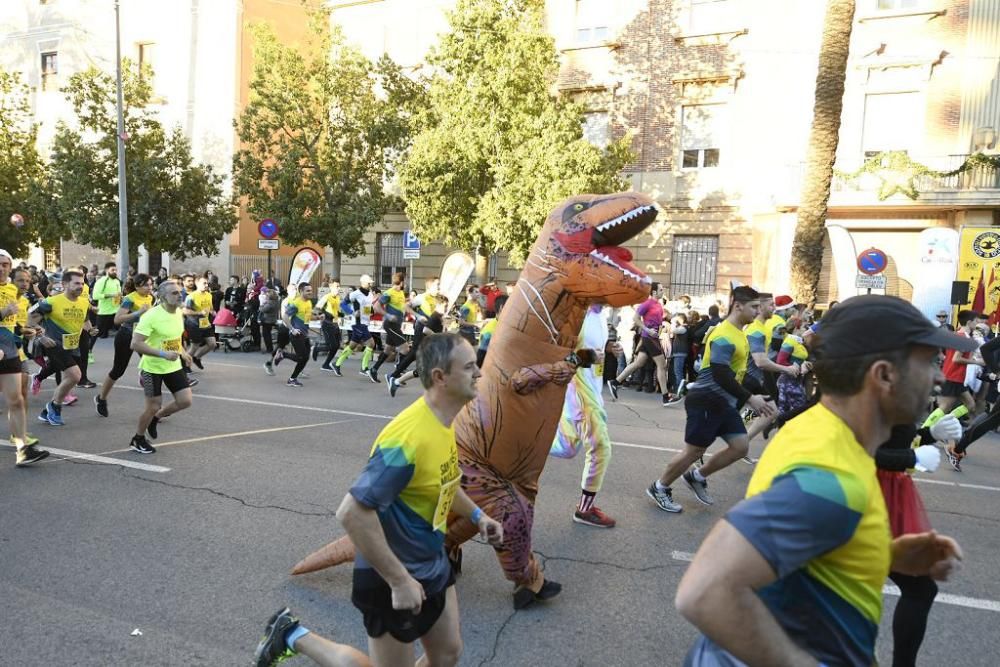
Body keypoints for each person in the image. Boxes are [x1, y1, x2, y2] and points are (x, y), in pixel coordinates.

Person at [675, 295, 968, 667]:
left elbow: (800, 556)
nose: (939, 376)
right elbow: (705, 591)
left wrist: (883, 554)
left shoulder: (823, 435)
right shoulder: (831, 479)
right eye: (928, 362)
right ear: (884, 376)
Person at [253, 334, 504, 667]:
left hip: (431, 563)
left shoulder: (443, 423)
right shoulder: (408, 438)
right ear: (440, 378)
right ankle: (291, 636)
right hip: (391, 575)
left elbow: (441, 482)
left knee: (447, 654)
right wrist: (399, 580)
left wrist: (476, 517)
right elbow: (352, 513)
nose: (479, 374)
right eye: (470, 367)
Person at [645, 286, 776, 513]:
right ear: (738, 306)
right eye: (754, 306)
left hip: (723, 403)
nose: (758, 311)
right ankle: (660, 487)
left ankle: (696, 476)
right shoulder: (724, 334)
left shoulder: (740, 333)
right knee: (694, 451)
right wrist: (750, 399)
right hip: (706, 400)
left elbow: (740, 373)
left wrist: (764, 393)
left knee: (740, 447)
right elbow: (720, 372)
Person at [551, 304, 616, 527]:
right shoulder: (574, 313)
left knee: (567, 447)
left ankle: (522, 444)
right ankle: (584, 510)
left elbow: (593, 346)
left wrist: (607, 349)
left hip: (593, 388)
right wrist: (585, 356)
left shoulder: (600, 314)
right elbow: (556, 352)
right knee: (601, 448)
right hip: (579, 392)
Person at [129, 280, 194, 454]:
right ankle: (138, 438)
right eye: (174, 293)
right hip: (152, 368)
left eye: (180, 292)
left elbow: (174, 339)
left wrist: (183, 352)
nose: (179, 295)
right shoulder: (151, 316)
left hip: (172, 365)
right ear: (162, 297)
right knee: (152, 406)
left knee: (185, 401)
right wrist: (163, 354)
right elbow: (135, 344)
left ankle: (156, 418)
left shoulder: (178, 312)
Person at [30, 271, 99, 427]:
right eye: (76, 283)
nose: (80, 286)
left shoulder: (83, 302)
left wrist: (90, 329)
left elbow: (85, 319)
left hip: (71, 345)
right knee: (75, 375)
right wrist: (41, 337)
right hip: (54, 344)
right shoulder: (50, 302)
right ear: (65, 284)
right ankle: (54, 406)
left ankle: (47, 411)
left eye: (82, 283)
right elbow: (29, 319)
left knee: (64, 372)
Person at [0, 253, 48, 466]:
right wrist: (3, 312)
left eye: (5, 265)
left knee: (16, 400)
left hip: (9, 350)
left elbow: (12, 323)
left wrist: (25, 331)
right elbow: (4, 315)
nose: (1, 268)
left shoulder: (12, 290)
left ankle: (22, 450)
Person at [95, 274, 154, 417]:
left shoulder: (151, 297)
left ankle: (154, 408)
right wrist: (138, 312)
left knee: (153, 368)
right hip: (126, 336)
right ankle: (101, 399)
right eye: (146, 285)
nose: (149, 288)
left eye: (151, 284)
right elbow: (117, 319)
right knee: (118, 370)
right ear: (137, 286)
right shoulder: (129, 299)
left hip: (142, 337)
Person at [608, 286, 671, 406]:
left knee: (638, 363)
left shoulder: (658, 305)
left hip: (652, 338)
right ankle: (666, 396)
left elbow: (659, 322)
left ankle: (615, 382)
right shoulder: (646, 303)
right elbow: (636, 318)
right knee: (662, 365)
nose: (663, 292)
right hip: (650, 338)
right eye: (661, 290)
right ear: (654, 292)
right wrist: (647, 329)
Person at [937, 309, 983, 417]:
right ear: (969, 322)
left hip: (956, 377)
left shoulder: (957, 335)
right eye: (976, 321)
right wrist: (978, 362)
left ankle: (947, 421)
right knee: (944, 408)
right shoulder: (963, 338)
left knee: (970, 404)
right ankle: (925, 429)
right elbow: (956, 359)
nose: (977, 324)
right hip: (952, 377)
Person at [270, 282, 314, 387]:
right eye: (307, 291)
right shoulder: (296, 303)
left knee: (305, 358)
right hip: (297, 335)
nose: (310, 292)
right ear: (301, 291)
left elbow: (306, 318)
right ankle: (283, 355)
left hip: (305, 334)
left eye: (311, 290)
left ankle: (292, 379)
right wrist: (292, 329)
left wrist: (318, 318)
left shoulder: (308, 302)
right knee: (301, 358)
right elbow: (285, 316)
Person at [333, 275, 377, 376]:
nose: (371, 284)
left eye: (371, 283)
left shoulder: (370, 294)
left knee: (352, 345)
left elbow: (367, 308)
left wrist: (371, 311)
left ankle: (337, 364)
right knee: (371, 343)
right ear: (364, 283)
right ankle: (364, 368)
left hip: (365, 323)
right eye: (369, 283)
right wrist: (352, 312)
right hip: (358, 323)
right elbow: (343, 304)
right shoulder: (355, 294)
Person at [368, 273, 408, 383]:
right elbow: (376, 307)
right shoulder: (389, 293)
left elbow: (400, 307)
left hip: (397, 325)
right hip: (390, 325)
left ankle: (374, 369)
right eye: (405, 280)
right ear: (402, 281)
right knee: (405, 349)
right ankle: (397, 374)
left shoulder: (401, 293)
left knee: (388, 349)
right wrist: (388, 315)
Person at [183, 275, 218, 370]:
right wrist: (199, 312)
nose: (206, 285)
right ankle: (185, 366)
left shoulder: (209, 295)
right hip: (193, 324)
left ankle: (196, 358)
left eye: (207, 283)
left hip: (205, 323)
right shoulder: (191, 296)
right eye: (204, 283)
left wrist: (212, 312)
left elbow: (210, 308)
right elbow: (185, 311)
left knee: (212, 344)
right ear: (197, 284)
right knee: (195, 346)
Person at [314, 279, 344, 374]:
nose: (338, 288)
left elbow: (337, 310)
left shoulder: (338, 297)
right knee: (332, 345)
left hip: (335, 324)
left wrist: (341, 315)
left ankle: (326, 364)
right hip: (327, 324)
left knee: (336, 346)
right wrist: (324, 314)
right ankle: (317, 349)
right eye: (336, 286)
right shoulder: (327, 297)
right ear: (331, 287)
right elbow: (317, 308)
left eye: (339, 286)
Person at [91, 261, 122, 339]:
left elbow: (119, 294)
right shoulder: (101, 281)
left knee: (123, 332)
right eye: (112, 270)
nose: (115, 272)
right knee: (97, 334)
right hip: (104, 312)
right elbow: (95, 296)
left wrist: (121, 298)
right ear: (107, 270)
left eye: (116, 270)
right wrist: (111, 295)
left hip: (116, 311)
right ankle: (89, 349)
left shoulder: (117, 281)